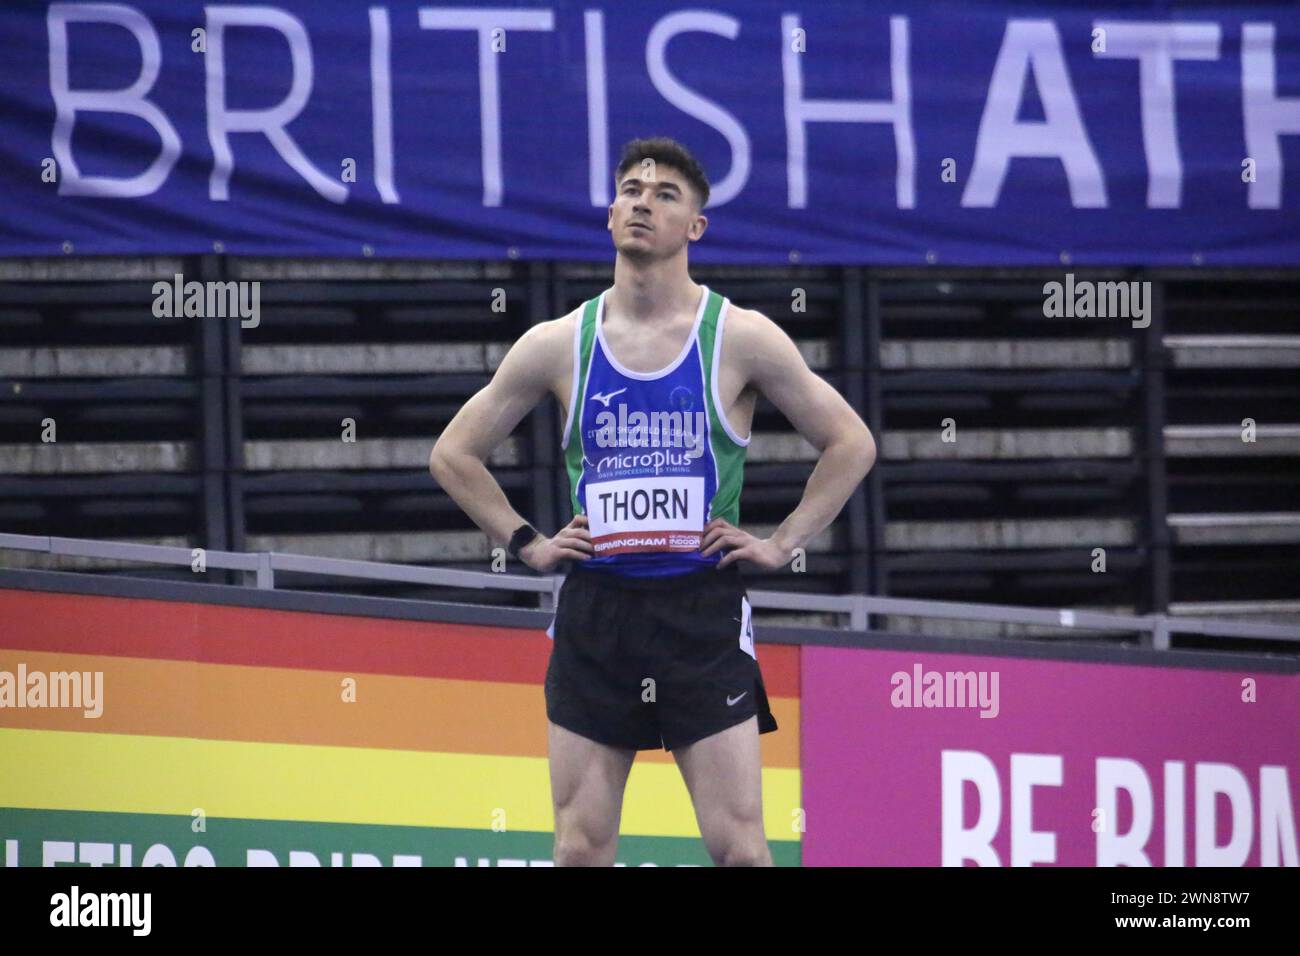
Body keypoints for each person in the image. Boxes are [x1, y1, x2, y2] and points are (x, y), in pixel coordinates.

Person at [429, 136, 876, 866]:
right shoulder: (556, 343)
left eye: (666, 194)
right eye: (632, 189)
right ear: (610, 212)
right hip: (596, 614)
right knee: (580, 848)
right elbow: (453, 453)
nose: (643, 201)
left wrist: (781, 543)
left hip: (699, 615)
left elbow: (850, 443)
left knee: (740, 849)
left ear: (694, 228)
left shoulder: (740, 337)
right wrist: (526, 543)